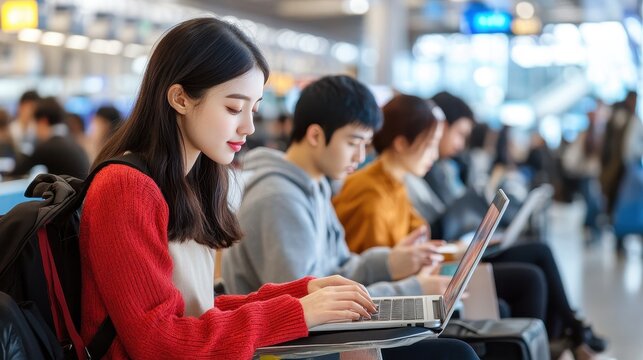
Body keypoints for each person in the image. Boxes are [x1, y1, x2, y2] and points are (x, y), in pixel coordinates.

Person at [79, 18, 378, 359]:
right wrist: (299, 311)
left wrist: (302, 294)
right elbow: (158, 342)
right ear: (179, 98)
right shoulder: (126, 188)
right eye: (234, 108)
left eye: (254, 109)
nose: (248, 126)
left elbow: (199, 312)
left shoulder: (189, 181)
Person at [222, 81, 477, 359]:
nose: (359, 156)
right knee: (456, 352)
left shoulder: (316, 185)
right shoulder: (278, 198)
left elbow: (340, 268)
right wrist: (413, 289)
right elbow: (310, 308)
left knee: (452, 342)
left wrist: (392, 261)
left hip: (321, 337)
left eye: (365, 145)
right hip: (291, 349)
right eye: (353, 142)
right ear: (316, 136)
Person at [408, 92, 607, 357]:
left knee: (538, 254)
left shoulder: (442, 170)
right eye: (455, 134)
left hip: (455, 253)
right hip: (446, 262)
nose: (459, 144)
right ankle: (567, 334)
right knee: (532, 271)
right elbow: (426, 237)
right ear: (405, 141)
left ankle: (564, 333)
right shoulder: (412, 181)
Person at [11, 97, 89, 179]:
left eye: (34, 123)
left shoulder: (49, 146)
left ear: (43, 122)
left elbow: (18, 170)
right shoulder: (70, 141)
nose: (33, 129)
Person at [9, 90, 39, 156]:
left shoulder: (38, 128)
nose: (32, 111)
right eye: (30, 106)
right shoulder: (10, 128)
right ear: (20, 106)